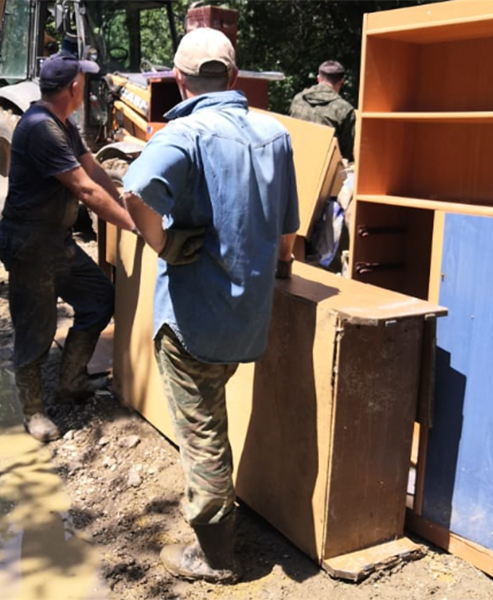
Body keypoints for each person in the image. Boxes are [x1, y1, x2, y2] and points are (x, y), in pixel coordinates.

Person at [122, 27, 299, 584]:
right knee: (213, 419)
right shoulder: (275, 135)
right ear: (235, 73)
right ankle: (216, 521)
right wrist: (280, 268)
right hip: (247, 320)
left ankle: (217, 557)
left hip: (191, 321)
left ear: (178, 79)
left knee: (202, 436)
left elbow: (134, 192)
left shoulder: (184, 134)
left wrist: (163, 244)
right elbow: (287, 235)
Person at [0, 53, 136, 443]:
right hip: (30, 245)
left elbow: (94, 171)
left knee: (99, 300)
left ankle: (71, 383)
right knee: (36, 328)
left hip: (55, 242)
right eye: (84, 83)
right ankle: (33, 413)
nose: (85, 88)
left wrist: (125, 207)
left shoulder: (63, 124)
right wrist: (135, 227)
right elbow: (85, 190)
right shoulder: (40, 127)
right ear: (75, 87)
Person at [289, 60, 356, 163]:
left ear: (318, 78)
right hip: (325, 166)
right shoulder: (344, 109)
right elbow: (346, 151)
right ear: (340, 83)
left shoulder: (298, 99)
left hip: (296, 162)